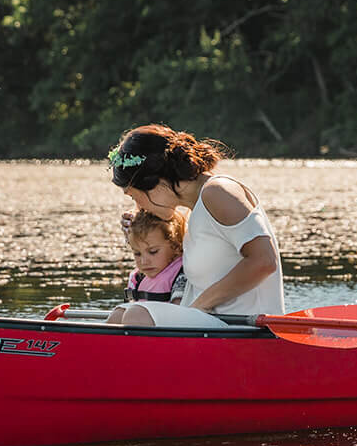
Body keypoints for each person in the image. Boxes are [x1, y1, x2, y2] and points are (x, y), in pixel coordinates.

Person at [106, 124, 284, 328]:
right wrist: (140, 232)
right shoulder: (194, 208)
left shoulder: (218, 192)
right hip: (212, 325)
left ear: (153, 182)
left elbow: (264, 260)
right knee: (118, 316)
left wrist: (199, 306)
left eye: (134, 196)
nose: (138, 206)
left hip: (242, 328)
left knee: (137, 316)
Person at [120, 209, 187, 304]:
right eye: (137, 253)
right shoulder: (138, 278)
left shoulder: (181, 276)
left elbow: (179, 313)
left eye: (153, 252)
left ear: (176, 246)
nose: (144, 262)